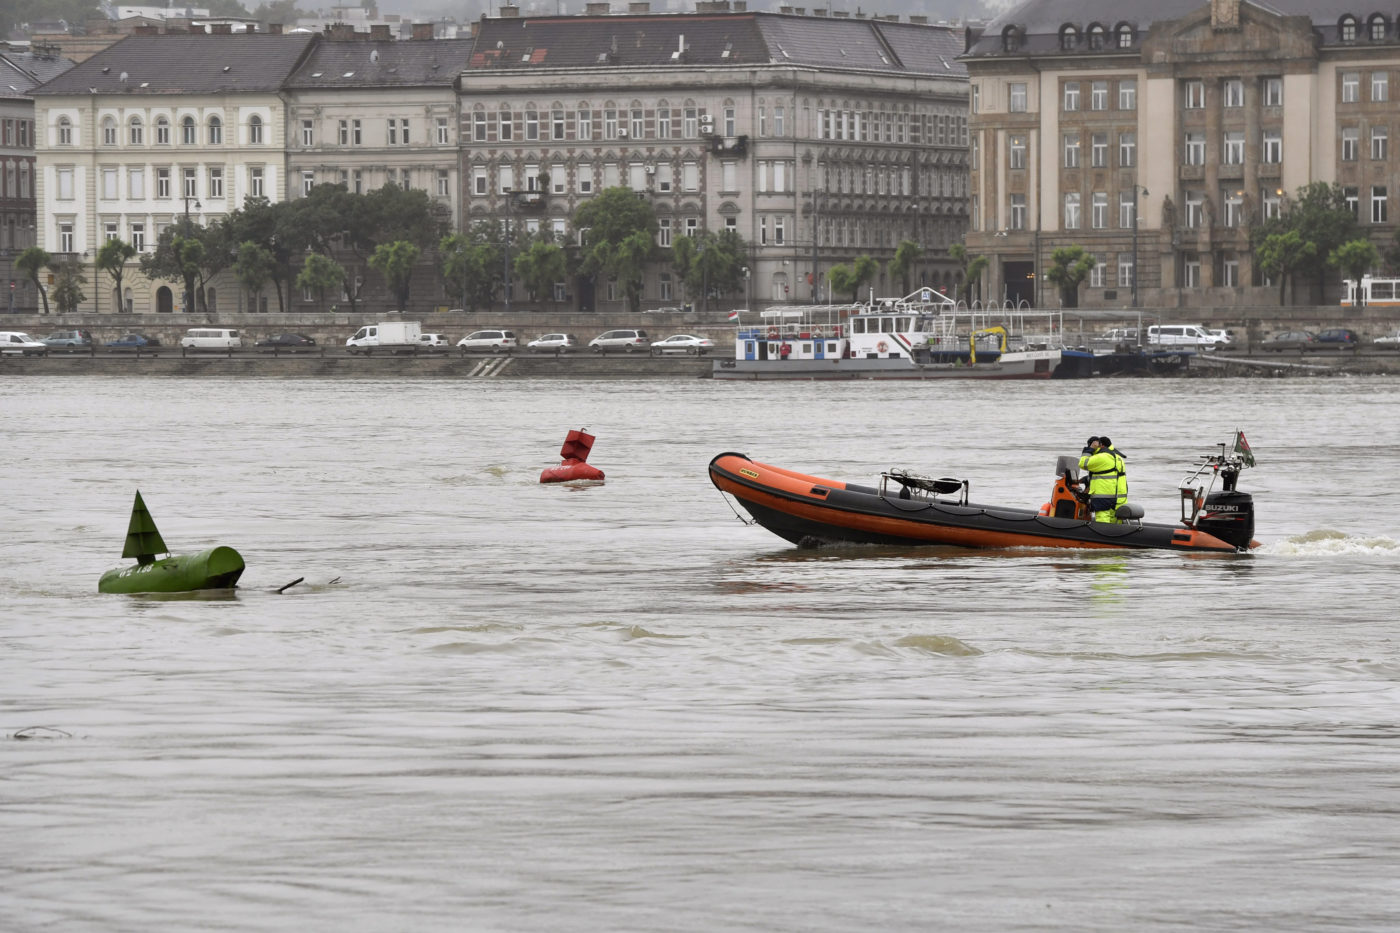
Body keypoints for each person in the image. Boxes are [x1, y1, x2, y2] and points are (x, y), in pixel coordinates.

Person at [1078, 436, 1128, 523]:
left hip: (1103, 496)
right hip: (1118, 497)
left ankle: (1103, 533)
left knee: (1102, 520)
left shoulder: (1103, 456)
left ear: (1100, 445)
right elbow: (1107, 473)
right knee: (1114, 522)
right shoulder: (1117, 457)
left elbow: (1083, 463)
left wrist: (1089, 449)